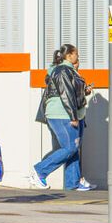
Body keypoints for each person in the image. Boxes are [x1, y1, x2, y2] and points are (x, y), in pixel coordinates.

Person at [29, 44, 91, 191]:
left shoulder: (68, 70)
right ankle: (39, 171)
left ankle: (73, 183)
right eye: (76, 54)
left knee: (73, 148)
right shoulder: (63, 70)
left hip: (64, 112)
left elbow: (73, 92)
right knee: (70, 147)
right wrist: (73, 116)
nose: (78, 57)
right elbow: (66, 93)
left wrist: (85, 91)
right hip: (61, 113)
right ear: (69, 55)